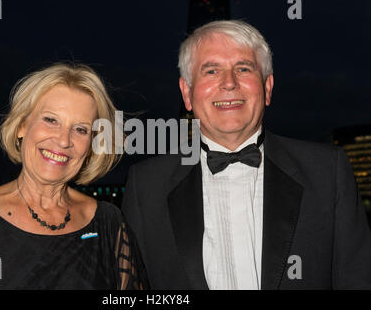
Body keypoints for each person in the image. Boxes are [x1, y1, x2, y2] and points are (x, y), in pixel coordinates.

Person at [121, 20, 371, 289]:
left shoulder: (327, 172)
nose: (229, 83)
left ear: (267, 87)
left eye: (243, 68)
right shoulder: (145, 186)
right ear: (187, 93)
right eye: (211, 70)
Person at [0, 63, 148, 290]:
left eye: (80, 129)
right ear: (21, 125)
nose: (63, 140)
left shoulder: (110, 224)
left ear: (90, 145)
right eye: (51, 120)